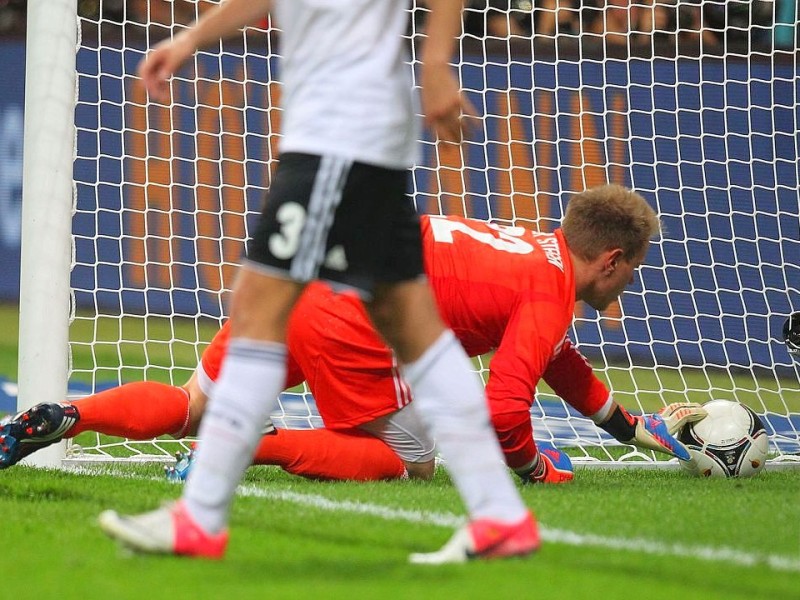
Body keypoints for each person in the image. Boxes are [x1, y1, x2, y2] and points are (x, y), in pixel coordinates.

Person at [91, 0, 536, 565]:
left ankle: (198, 518)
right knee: (412, 325)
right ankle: (499, 514)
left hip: (341, 134)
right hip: (353, 132)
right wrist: (189, 41)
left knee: (258, 309)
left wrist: (435, 64)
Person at [1, 189, 701, 484]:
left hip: (303, 276)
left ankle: (67, 415)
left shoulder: (531, 252)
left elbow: (558, 361)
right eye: (630, 274)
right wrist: (533, 469)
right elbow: (504, 412)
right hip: (353, 321)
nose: (626, 288)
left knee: (192, 401)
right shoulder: (548, 293)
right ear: (610, 260)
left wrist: (629, 428)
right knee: (409, 461)